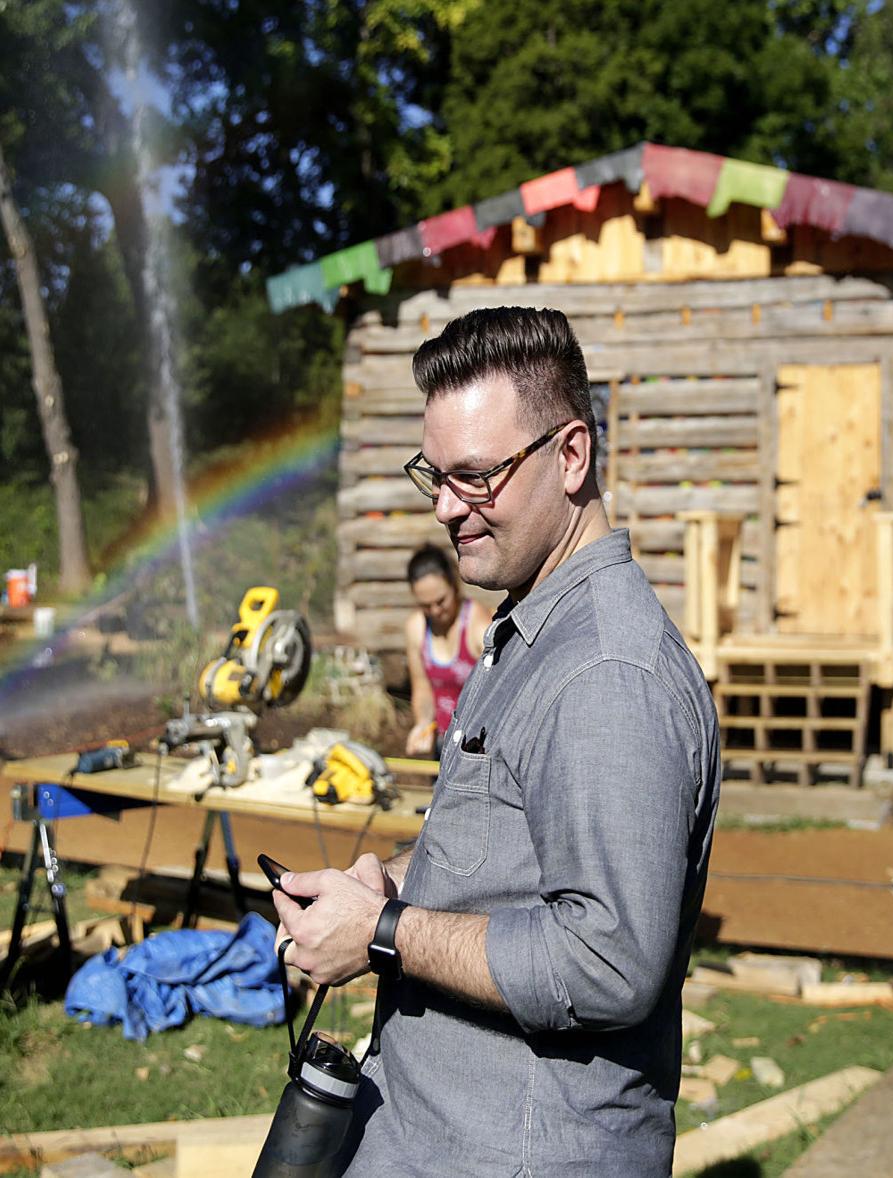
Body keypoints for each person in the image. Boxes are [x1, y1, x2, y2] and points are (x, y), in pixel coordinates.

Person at [271, 306, 721, 1176]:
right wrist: (382, 884)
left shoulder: (606, 676)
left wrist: (384, 931)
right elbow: (508, 856)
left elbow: (605, 961)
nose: (445, 508)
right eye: (433, 475)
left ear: (572, 455)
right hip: (433, 1134)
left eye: (475, 476)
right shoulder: (527, 626)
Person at [402, 544, 485, 756]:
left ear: (454, 585)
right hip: (443, 742)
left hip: (476, 745)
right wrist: (422, 724)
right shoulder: (417, 628)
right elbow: (422, 687)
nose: (435, 611)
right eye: (426, 606)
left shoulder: (478, 626)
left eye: (441, 601)